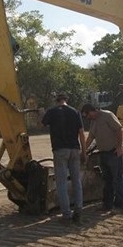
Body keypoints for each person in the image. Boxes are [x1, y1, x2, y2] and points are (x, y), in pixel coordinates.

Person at [41, 93, 86, 225]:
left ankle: (66, 215)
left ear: (57, 101)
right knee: (76, 181)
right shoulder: (75, 112)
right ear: (67, 100)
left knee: (61, 183)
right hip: (74, 149)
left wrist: (41, 112)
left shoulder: (52, 112)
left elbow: (41, 124)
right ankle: (78, 212)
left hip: (60, 150)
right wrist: (84, 152)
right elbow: (82, 133)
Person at [81, 103, 123, 212]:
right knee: (107, 180)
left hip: (114, 152)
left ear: (93, 110)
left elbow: (119, 129)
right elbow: (91, 136)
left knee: (117, 179)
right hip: (104, 153)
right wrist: (83, 151)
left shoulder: (108, 115)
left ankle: (119, 205)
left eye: (88, 115)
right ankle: (107, 204)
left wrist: (119, 147)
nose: (88, 117)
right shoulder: (94, 121)